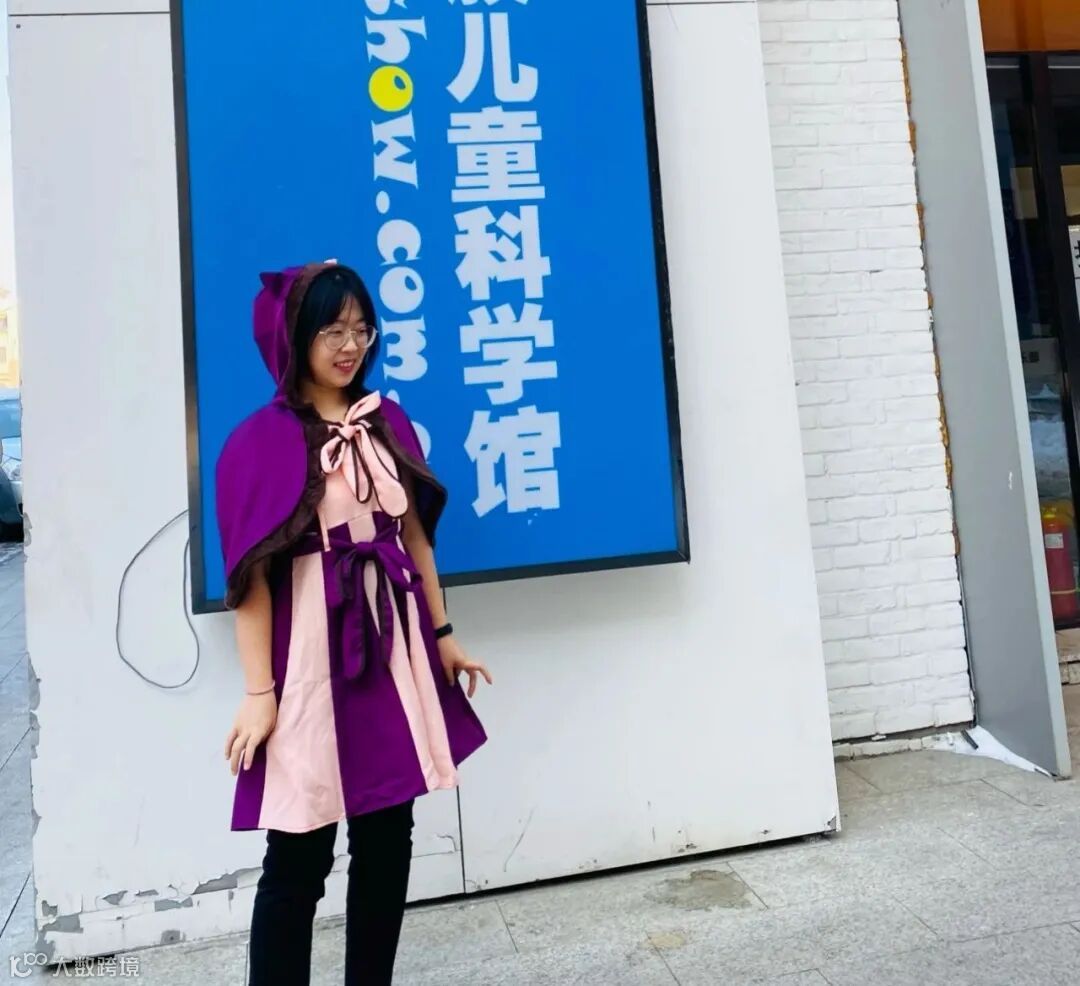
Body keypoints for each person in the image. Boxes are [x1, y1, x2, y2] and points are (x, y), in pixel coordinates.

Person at [214, 260, 490, 986]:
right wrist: (259, 693)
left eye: (362, 329)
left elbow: (415, 539)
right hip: (311, 658)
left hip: (391, 649)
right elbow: (250, 582)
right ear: (294, 335)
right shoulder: (258, 442)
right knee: (298, 853)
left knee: (387, 837)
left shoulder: (385, 420)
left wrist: (442, 636)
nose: (350, 345)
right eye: (332, 330)